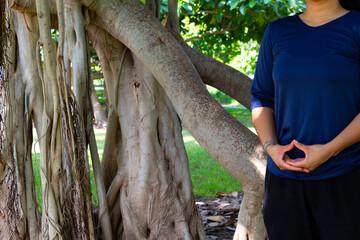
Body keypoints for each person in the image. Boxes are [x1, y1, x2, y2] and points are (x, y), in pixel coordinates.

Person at [250, 0, 360, 239]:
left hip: (346, 175)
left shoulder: (356, 27)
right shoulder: (277, 31)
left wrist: (330, 150)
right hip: (284, 182)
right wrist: (271, 148)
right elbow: (261, 97)